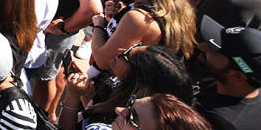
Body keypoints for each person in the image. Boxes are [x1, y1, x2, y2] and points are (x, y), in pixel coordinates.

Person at [90, 0, 196, 72]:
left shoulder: (139, 19)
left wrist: (98, 25)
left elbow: (102, 61)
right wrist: (120, 16)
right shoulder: (167, 11)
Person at [61, 45, 195, 130]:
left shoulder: (133, 118)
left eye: (126, 55)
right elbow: (94, 111)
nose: (121, 50)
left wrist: (72, 96)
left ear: (137, 79)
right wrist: (87, 93)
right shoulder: (118, 86)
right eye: (134, 46)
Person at [196, 15, 261, 130]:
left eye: (213, 49)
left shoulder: (218, 122)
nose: (201, 46)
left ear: (237, 77)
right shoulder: (255, 92)